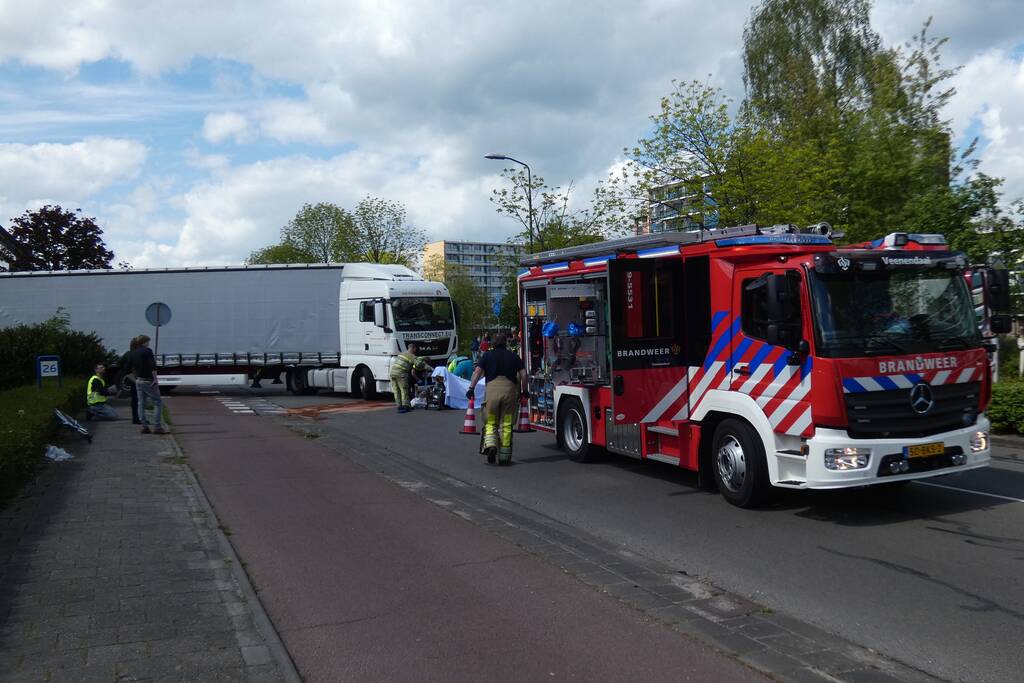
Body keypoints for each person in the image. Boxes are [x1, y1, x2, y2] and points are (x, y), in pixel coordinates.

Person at [467, 332, 527, 465]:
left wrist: (471, 388)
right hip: (509, 392)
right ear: (505, 342)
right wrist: (525, 391)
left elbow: (477, 372)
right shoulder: (514, 356)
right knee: (506, 423)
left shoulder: (487, 355)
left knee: (491, 422)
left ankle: (491, 445)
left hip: (492, 392)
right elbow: (523, 374)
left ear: (492, 343)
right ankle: (505, 457)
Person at [131, 335, 167, 434]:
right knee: (157, 402)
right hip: (148, 380)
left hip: (138, 380)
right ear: (144, 342)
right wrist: (155, 379)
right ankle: (157, 427)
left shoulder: (134, 352)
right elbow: (152, 366)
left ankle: (144, 426)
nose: (149, 343)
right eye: (148, 341)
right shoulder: (147, 351)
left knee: (141, 403)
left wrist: (137, 378)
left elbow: (133, 367)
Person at [390, 342, 429, 413]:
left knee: (396, 390)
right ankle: (406, 406)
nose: (415, 351)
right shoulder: (411, 356)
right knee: (404, 390)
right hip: (401, 374)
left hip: (393, 373)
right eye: (415, 350)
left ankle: (399, 406)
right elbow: (418, 364)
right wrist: (428, 366)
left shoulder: (401, 354)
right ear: (413, 348)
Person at [118, 336, 142, 424]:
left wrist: (126, 371)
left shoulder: (128, 353)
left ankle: (135, 418)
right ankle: (138, 418)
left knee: (134, 400)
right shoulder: (138, 354)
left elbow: (119, 363)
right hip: (137, 378)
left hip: (131, 379)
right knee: (139, 400)